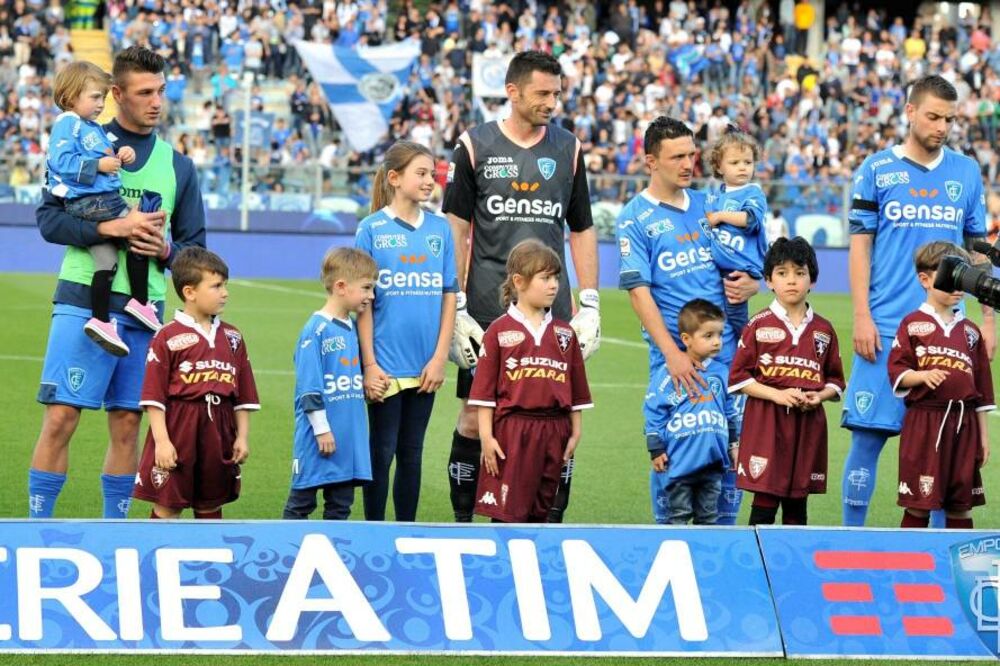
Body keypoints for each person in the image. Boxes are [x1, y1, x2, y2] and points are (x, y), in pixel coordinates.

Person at [29, 46, 206, 520]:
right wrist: (110, 229)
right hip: (83, 300)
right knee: (62, 416)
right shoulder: (82, 141)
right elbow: (49, 220)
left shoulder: (179, 166)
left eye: (161, 92)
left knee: (128, 423)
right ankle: (35, 528)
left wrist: (165, 251)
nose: (156, 102)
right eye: (145, 92)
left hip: (144, 310)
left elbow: (196, 252)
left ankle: (115, 532)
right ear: (116, 95)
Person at [443, 50, 600, 523]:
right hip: (488, 308)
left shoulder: (568, 148)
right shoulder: (474, 146)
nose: (552, 102)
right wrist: (457, 304)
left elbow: (583, 228)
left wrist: (589, 301)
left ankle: (550, 520)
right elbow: (456, 226)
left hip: (553, 311)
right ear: (512, 92)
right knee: (476, 416)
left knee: (557, 417)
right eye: (542, 93)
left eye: (557, 93)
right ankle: (464, 522)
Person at [840, 75, 994, 527]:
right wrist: (861, 316)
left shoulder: (965, 172)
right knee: (867, 439)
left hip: (948, 335)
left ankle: (941, 556)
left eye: (949, 118)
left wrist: (987, 321)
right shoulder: (876, 170)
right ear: (909, 112)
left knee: (947, 450)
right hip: (886, 328)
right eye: (933, 116)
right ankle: (852, 541)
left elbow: (978, 249)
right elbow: (860, 246)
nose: (942, 126)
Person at [615, 116, 760, 525]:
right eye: (677, 156)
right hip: (676, 358)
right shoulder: (635, 217)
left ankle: (724, 537)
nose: (687, 164)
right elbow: (639, 293)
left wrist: (754, 283)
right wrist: (672, 354)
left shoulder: (710, 205)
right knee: (675, 447)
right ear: (650, 161)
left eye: (692, 155)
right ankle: (672, 538)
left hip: (727, 352)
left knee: (730, 444)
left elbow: (746, 261)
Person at [355, 141, 458, 521]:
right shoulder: (371, 229)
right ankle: (373, 533)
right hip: (384, 365)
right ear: (394, 179)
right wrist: (369, 364)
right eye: (421, 173)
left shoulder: (440, 229)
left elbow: (449, 294)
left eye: (433, 173)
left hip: (425, 366)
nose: (430, 180)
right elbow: (362, 303)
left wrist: (439, 358)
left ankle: (405, 532)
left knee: (412, 452)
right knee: (380, 453)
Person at [468, 239, 592, 522]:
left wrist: (575, 431)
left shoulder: (565, 333)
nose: (554, 286)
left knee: (544, 512)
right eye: (545, 278)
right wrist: (486, 438)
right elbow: (484, 395)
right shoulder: (499, 331)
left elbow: (576, 391)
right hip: (513, 431)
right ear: (519, 282)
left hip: (555, 429)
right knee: (507, 515)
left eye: (556, 278)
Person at [132, 248, 258, 519]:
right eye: (216, 286)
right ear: (190, 292)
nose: (225, 292)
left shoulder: (233, 337)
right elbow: (154, 398)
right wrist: (162, 442)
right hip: (179, 426)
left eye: (225, 285)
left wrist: (242, 437)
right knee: (168, 503)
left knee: (210, 503)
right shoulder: (166, 336)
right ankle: (157, 558)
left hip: (220, 429)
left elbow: (244, 396)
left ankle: (209, 561)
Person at [47, 60, 161, 356]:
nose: (101, 104)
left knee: (106, 260)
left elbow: (114, 155)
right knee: (138, 232)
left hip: (94, 203)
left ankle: (99, 320)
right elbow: (60, 162)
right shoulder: (67, 123)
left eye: (103, 97)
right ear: (71, 97)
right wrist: (98, 165)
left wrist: (124, 154)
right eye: (95, 97)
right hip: (95, 202)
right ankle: (139, 301)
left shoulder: (93, 128)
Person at [729, 237, 845, 525]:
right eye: (782, 273)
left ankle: (790, 567)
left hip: (807, 426)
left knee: (797, 501)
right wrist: (777, 395)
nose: (791, 281)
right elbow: (739, 379)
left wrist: (819, 395)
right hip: (766, 422)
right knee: (765, 499)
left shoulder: (824, 330)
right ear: (769, 280)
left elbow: (836, 381)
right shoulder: (758, 324)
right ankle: (756, 566)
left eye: (799, 273)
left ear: (812, 281)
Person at [888, 241, 993, 529]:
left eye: (965, 275)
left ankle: (958, 574)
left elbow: (982, 391)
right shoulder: (912, 324)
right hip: (925, 423)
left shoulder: (971, 331)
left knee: (961, 507)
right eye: (951, 274)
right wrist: (921, 376)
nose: (959, 283)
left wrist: (983, 438)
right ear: (925, 279)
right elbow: (897, 372)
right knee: (918, 505)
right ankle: (909, 568)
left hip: (965, 424)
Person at [283, 247, 377, 521]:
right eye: (367, 288)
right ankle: (284, 557)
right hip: (319, 438)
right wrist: (322, 429)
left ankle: (330, 558)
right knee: (300, 503)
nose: (371, 296)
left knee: (340, 506)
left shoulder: (350, 327)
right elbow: (309, 388)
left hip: (348, 438)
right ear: (341, 287)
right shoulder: (316, 330)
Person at [645, 299, 738, 525]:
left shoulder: (722, 371)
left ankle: (702, 558)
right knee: (678, 516)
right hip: (679, 461)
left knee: (708, 518)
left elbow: (729, 411)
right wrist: (656, 447)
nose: (717, 342)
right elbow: (654, 409)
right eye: (708, 336)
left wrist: (733, 443)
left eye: (719, 335)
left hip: (712, 462)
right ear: (686, 339)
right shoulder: (670, 373)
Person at [705, 127, 769, 341]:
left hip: (738, 270)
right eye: (735, 163)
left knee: (735, 320)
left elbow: (750, 220)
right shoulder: (716, 195)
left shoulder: (753, 192)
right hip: (718, 269)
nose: (742, 168)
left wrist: (720, 216)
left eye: (747, 162)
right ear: (719, 167)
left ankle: (751, 352)